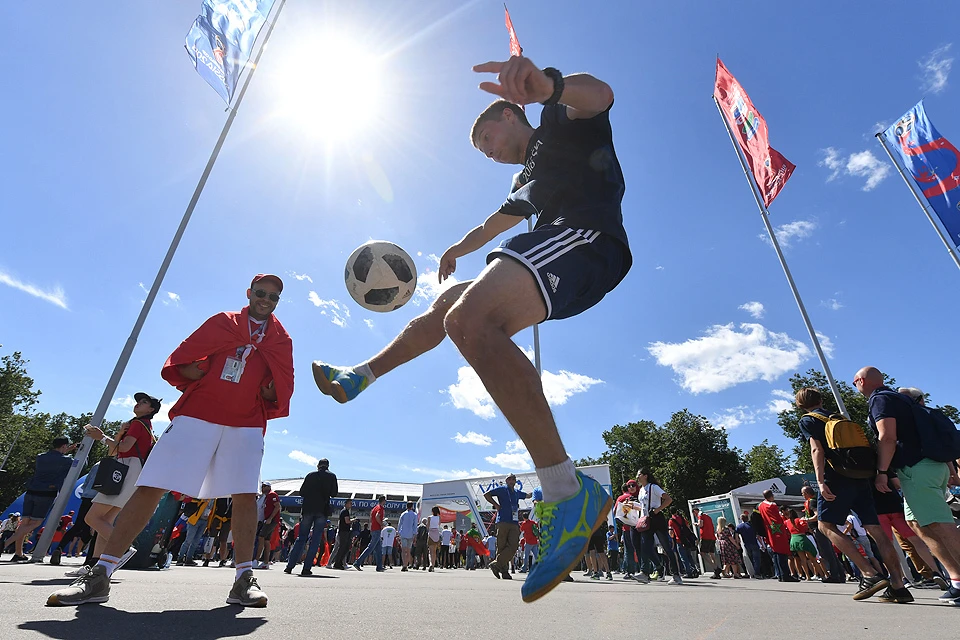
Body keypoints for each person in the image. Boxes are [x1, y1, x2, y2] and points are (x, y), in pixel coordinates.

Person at [312, 55, 626, 602]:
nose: (489, 151)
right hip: (550, 249)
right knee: (449, 307)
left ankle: (565, 489)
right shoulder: (527, 177)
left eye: (489, 137)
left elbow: (600, 96)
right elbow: (495, 223)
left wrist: (548, 86)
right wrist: (461, 247)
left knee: (469, 319)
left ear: (511, 111)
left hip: (586, 239)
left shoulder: (557, 119)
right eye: (482, 150)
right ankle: (360, 376)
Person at [47, 274, 294, 608]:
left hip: (246, 422)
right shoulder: (223, 322)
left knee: (246, 496)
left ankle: (243, 578)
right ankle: (100, 574)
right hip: (197, 414)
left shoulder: (280, 338)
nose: (266, 299)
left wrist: (271, 393)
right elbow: (184, 359)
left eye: (274, 297)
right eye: (261, 293)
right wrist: (196, 370)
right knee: (151, 485)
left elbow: (282, 385)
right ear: (249, 293)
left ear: (278, 301)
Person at [795, 385, 910, 603]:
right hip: (860, 475)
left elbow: (817, 450)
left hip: (836, 476)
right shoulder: (839, 417)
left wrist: (820, 481)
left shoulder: (808, 420)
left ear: (800, 405)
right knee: (875, 530)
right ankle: (898, 585)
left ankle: (868, 573)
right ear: (820, 400)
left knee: (825, 525)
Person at [855, 370, 960, 605]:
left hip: (918, 468)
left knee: (939, 524)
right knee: (917, 525)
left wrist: (882, 472)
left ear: (861, 381)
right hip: (924, 467)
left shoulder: (879, 399)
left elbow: (887, 437)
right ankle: (956, 580)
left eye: (855, 383)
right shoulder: (900, 399)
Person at [81, 392, 160, 573]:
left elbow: (122, 449)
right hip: (130, 471)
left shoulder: (138, 424)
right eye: (138, 401)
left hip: (124, 471)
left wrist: (101, 437)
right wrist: (118, 434)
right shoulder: (144, 426)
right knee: (106, 520)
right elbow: (115, 451)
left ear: (151, 409)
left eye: (144, 402)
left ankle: (123, 548)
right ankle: (94, 564)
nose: (138, 404)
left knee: (92, 517)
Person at [7, 437, 77, 562]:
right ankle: (6, 543)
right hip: (46, 493)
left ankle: (18, 552)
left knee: (25, 523)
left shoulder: (41, 457)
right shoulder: (66, 461)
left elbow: (54, 459)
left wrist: (65, 451)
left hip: (31, 491)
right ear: (64, 446)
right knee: (37, 522)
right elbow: (79, 464)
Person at [285, 458, 337, 576]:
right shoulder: (332, 477)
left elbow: (302, 492)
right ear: (328, 466)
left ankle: (290, 566)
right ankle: (306, 568)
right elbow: (334, 493)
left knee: (301, 538)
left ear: (318, 465)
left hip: (308, 509)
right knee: (315, 540)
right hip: (322, 510)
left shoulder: (310, 475)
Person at [634, 468, 682, 585]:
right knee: (645, 545)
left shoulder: (653, 487)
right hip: (646, 519)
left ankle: (676, 574)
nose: (637, 477)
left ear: (645, 476)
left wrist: (657, 510)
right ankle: (644, 572)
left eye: (639, 475)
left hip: (656, 518)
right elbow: (643, 506)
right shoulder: (641, 490)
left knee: (666, 547)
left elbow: (668, 499)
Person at [484, 474, 529, 580]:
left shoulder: (517, 492)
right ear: (506, 480)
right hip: (502, 521)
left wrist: (539, 491)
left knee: (514, 545)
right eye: (510, 479)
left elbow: (528, 495)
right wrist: (495, 505)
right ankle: (505, 572)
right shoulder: (502, 489)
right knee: (501, 546)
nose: (512, 481)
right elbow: (486, 495)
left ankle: (496, 563)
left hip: (514, 522)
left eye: (514, 479)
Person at [757, 491, 797, 583]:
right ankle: (785, 575)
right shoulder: (772, 505)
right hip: (777, 529)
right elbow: (777, 518)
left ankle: (779, 574)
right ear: (771, 496)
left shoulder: (761, 506)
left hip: (769, 530)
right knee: (781, 552)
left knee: (775, 553)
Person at [354, 496, 386, 572]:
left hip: (373, 529)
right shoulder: (380, 508)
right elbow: (377, 516)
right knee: (370, 547)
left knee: (378, 549)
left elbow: (371, 518)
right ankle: (357, 562)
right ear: (383, 501)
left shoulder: (374, 508)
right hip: (377, 529)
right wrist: (381, 524)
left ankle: (379, 566)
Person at [255, 482, 280, 569]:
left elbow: (277, 506)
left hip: (270, 520)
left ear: (268, 487)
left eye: (264, 486)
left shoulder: (272, 495)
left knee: (261, 537)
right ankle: (266, 562)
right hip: (267, 520)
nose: (262, 488)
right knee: (266, 540)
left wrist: (270, 518)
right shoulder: (265, 496)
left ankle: (256, 559)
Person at [692, 507, 719, 579]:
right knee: (712, 554)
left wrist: (696, 524)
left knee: (702, 553)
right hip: (712, 537)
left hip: (705, 537)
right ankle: (716, 573)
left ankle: (716, 568)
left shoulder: (700, 515)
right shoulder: (707, 516)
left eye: (694, 514)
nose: (695, 515)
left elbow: (701, 524)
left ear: (695, 511)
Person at [735, 514, 762, 579]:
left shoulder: (739, 526)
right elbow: (758, 536)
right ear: (747, 518)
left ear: (741, 519)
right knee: (757, 559)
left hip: (746, 544)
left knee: (752, 558)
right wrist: (761, 544)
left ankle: (753, 572)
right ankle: (757, 573)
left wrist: (738, 543)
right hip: (754, 543)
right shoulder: (752, 525)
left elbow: (736, 536)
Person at [397, 501, 418, 571]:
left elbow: (400, 524)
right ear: (412, 506)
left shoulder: (403, 514)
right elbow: (415, 526)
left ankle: (404, 564)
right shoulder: (415, 515)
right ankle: (406, 564)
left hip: (403, 533)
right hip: (410, 534)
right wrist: (415, 534)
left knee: (403, 550)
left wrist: (398, 532)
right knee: (408, 551)